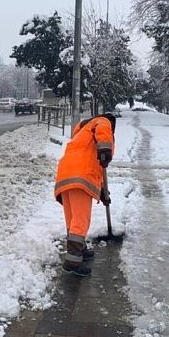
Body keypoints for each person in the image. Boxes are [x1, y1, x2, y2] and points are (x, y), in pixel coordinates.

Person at [54, 114, 116, 276]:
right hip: (81, 174)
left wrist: (102, 191)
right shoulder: (103, 122)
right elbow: (103, 130)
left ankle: (79, 248)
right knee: (81, 218)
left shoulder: (84, 133)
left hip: (65, 173)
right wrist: (105, 148)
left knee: (73, 216)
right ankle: (72, 262)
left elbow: (96, 167)